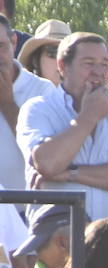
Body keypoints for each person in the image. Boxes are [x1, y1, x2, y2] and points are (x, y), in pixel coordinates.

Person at [17, 31, 108, 221]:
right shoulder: (38, 109)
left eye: (105, 64)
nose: (98, 71)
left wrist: (70, 173)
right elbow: (47, 163)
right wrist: (88, 117)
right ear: (63, 66)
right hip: (57, 242)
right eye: (88, 63)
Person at [0, 13, 57, 195]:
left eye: (0, 46)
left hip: (24, 208)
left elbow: (48, 157)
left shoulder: (42, 90)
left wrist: (7, 103)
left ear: (14, 42)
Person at [17, 19, 69, 86]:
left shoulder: (83, 94)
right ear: (35, 60)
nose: (62, 60)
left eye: (69, 53)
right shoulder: (20, 95)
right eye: (54, 52)